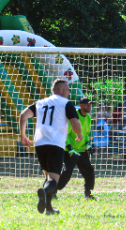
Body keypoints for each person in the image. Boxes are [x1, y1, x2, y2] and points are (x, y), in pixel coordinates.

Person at [18, 79, 82, 216]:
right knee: (53, 180)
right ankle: (45, 193)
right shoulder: (66, 103)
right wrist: (79, 135)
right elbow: (75, 123)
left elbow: (23, 115)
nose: (69, 92)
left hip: (40, 144)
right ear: (60, 90)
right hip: (55, 143)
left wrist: (23, 135)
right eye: (67, 89)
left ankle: (49, 209)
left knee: (48, 177)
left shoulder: (41, 103)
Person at [58, 96, 96, 200]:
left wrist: (88, 144)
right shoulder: (73, 116)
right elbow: (65, 134)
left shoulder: (88, 117)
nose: (89, 106)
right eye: (87, 104)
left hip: (81, 150)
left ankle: (88, 195)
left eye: (90, 104)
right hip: (69, 150)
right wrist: (70, 149)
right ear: (80, 105)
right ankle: (51, 192)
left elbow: (86, 134)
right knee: (67, 173)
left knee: (89, 171)